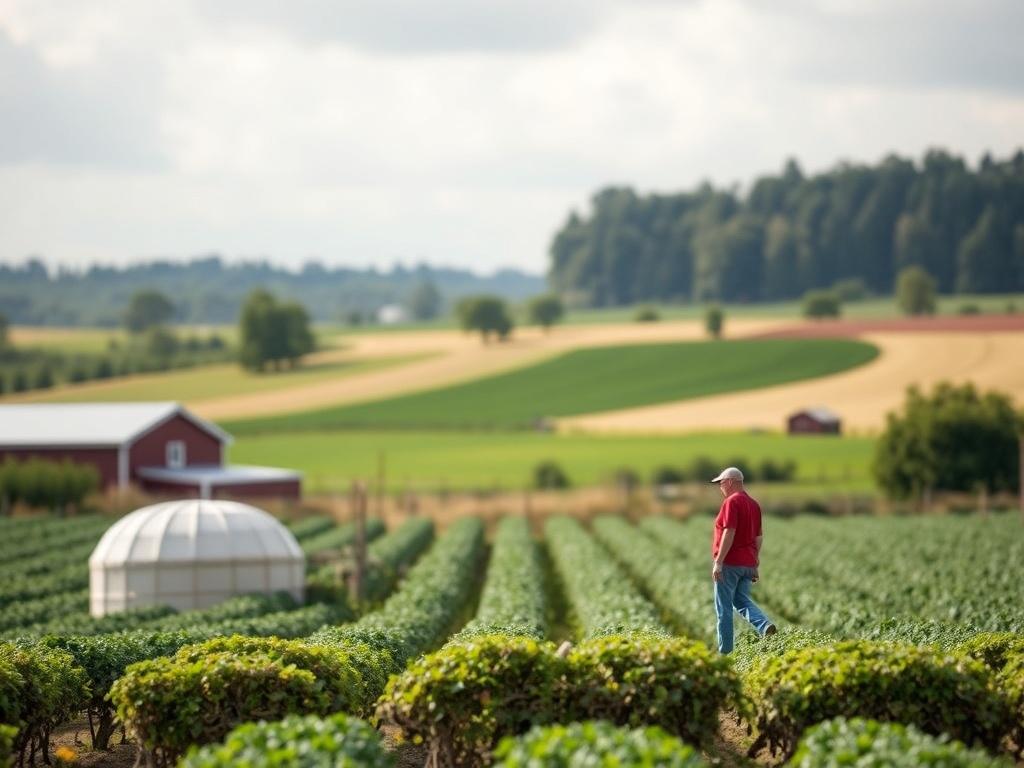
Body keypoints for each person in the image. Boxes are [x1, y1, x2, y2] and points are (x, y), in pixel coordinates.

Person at [710, 466, 776, 653]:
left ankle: (725, 654)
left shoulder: (731, 502)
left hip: (730, 563)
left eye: (721, 483)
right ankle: (764, 625)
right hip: (747, 564)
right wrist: (754, 562)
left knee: (723, 610)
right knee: (741, 600)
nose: (720, 487)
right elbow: (759, 537)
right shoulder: (754, 504)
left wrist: (719, 562)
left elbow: (729, 531)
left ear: (730, 482)